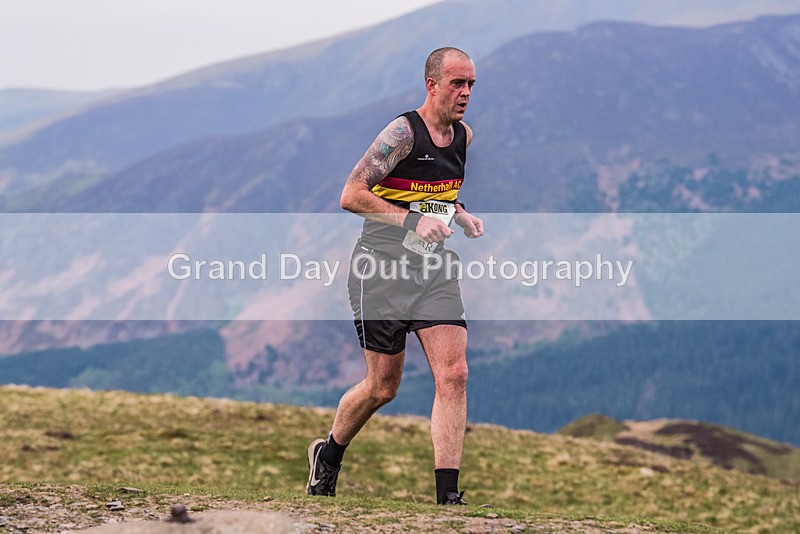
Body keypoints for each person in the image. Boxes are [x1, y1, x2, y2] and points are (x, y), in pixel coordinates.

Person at [306, 47, 483, 505]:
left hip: (433, 270)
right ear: (432, 85)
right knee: (382, 387)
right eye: (457, 83)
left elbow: (434, 193)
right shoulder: (402, 133)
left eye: (471, 84)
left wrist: (459, 213)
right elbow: (351, 194)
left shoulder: (463, 137)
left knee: (455, 374)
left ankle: (448, 498)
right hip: (380, 270)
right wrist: (411, 221)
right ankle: (328, 455)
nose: (465, 93)